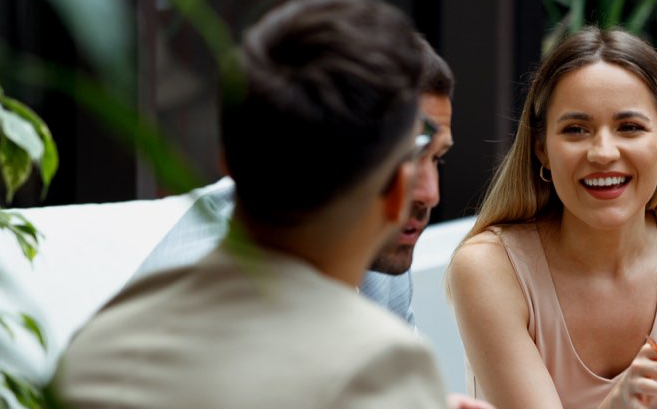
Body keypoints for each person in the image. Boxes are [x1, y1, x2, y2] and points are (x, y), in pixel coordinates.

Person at [54, 0, 448, 408]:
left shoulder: (99, 343)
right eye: (416, 159)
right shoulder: (377, 365)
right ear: (395, 192)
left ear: (227, 161)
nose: (431, 191)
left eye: (437, 159)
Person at [447, 27, 657, 409]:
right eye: (576, 130)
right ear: (541, 148)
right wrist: (619, 403)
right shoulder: (490, 267)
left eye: (629, 127)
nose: (603, 152)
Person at [133, 32, 457, 326]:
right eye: (405, 158)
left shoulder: (380, 237)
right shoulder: (210, 296)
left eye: (437, 158)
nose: (430, 194)